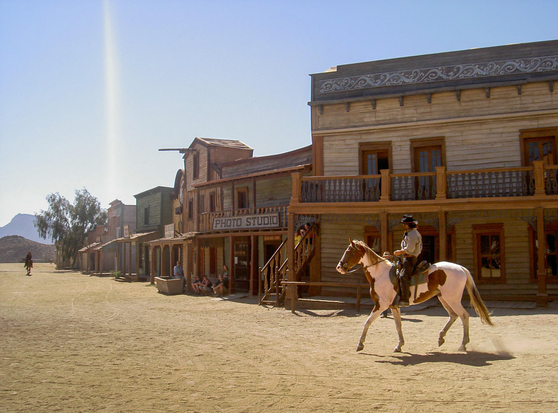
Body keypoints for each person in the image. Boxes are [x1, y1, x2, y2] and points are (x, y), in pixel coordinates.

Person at [393, 215, 422, 307]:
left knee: (403, 276)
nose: (403, 226)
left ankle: (405, 300)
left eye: (404, 224)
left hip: (409, 259)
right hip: (405, 258)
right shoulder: (409, 233)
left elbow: (410, 249)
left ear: (408, 225)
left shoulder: (413, 234)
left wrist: (399, 252)